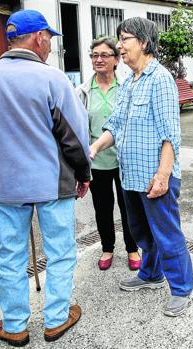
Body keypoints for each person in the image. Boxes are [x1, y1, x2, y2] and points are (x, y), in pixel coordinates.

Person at [0, 9, 90, 346]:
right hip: (51, 183)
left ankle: (15, 325)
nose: (50, 45)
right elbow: (75, 136)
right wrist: (83, 173)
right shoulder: (52, 78)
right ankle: (55, 318)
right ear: (38, 38)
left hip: (5, 184)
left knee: (10, 254)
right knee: (61, 251)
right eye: (49, 38)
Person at [90, 17, 193, 317]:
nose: (119, 46)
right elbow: (116, 124)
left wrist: (163, 176)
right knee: (141, 232)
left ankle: (182, 288)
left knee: (167, 234)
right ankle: (150, 274)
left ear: (144, 43)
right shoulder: (130, 81)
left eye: (124, 39)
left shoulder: (160, 79)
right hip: (131, 177)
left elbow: (170, 135)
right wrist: (95, 147)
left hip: (154, 178)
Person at [77, 38, 141, 271]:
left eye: (105, 55)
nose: (99, 59)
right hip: (96, 160)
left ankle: (132, 248)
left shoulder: (127, 86)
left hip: (124, 160)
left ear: (116, 60)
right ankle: (107, 247)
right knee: (102, 208)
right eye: (94, 55)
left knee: (129, 208)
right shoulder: (83, 91)